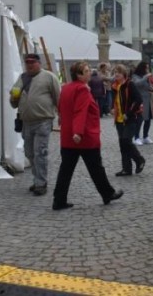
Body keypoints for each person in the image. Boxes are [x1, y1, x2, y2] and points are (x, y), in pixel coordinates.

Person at [51, 61, 123, 210]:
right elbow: (80, 111)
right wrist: (78, 132)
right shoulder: (82, 89)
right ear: (79, 75)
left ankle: (59, 200)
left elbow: (61, 107)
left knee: (66, 170)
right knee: (96, 168)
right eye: (86, 71)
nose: (90, 72)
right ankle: (107, 193)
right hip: (83, 137)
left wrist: (66, 125)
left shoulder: (66, 88)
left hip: (68, 137)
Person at [9, 53, 60, 196]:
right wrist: (14, 97)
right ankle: (37, 179)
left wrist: (61, 115)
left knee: (40, 153)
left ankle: (41, 183)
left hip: (43, 120)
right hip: (26, 122)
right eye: (27, 63)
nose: (30, 65)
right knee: (30, 153)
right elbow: (13, 103)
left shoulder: (49, 77)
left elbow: (58, 98)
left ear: (39, 63)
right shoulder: (22, 78)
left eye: (33, 62)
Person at [111, 64, 146, 176]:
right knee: (123, 144)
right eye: (115, 72)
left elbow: (138, 99)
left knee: (126, 141)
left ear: (124, 74)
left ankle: (139, 159)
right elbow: (115, 101)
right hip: (119, 119)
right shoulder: (115, 86)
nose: (116, 74)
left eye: (119, 72)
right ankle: (126, 168)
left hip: (131, 118)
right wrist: (112, 108)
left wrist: (129, 113)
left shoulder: (130, 85)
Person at [131, 62, 153, 144]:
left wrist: (152, 87)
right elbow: (137, 84)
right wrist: (145, 77)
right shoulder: (135, 76)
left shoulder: (145, 77)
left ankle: (145, 136)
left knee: (148, 119)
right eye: (146, 68)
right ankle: (136, 137)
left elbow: (146, 86)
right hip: (140, 100)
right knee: (139, 119)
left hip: (147, 98)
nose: (147, 70)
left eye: (148, 68)